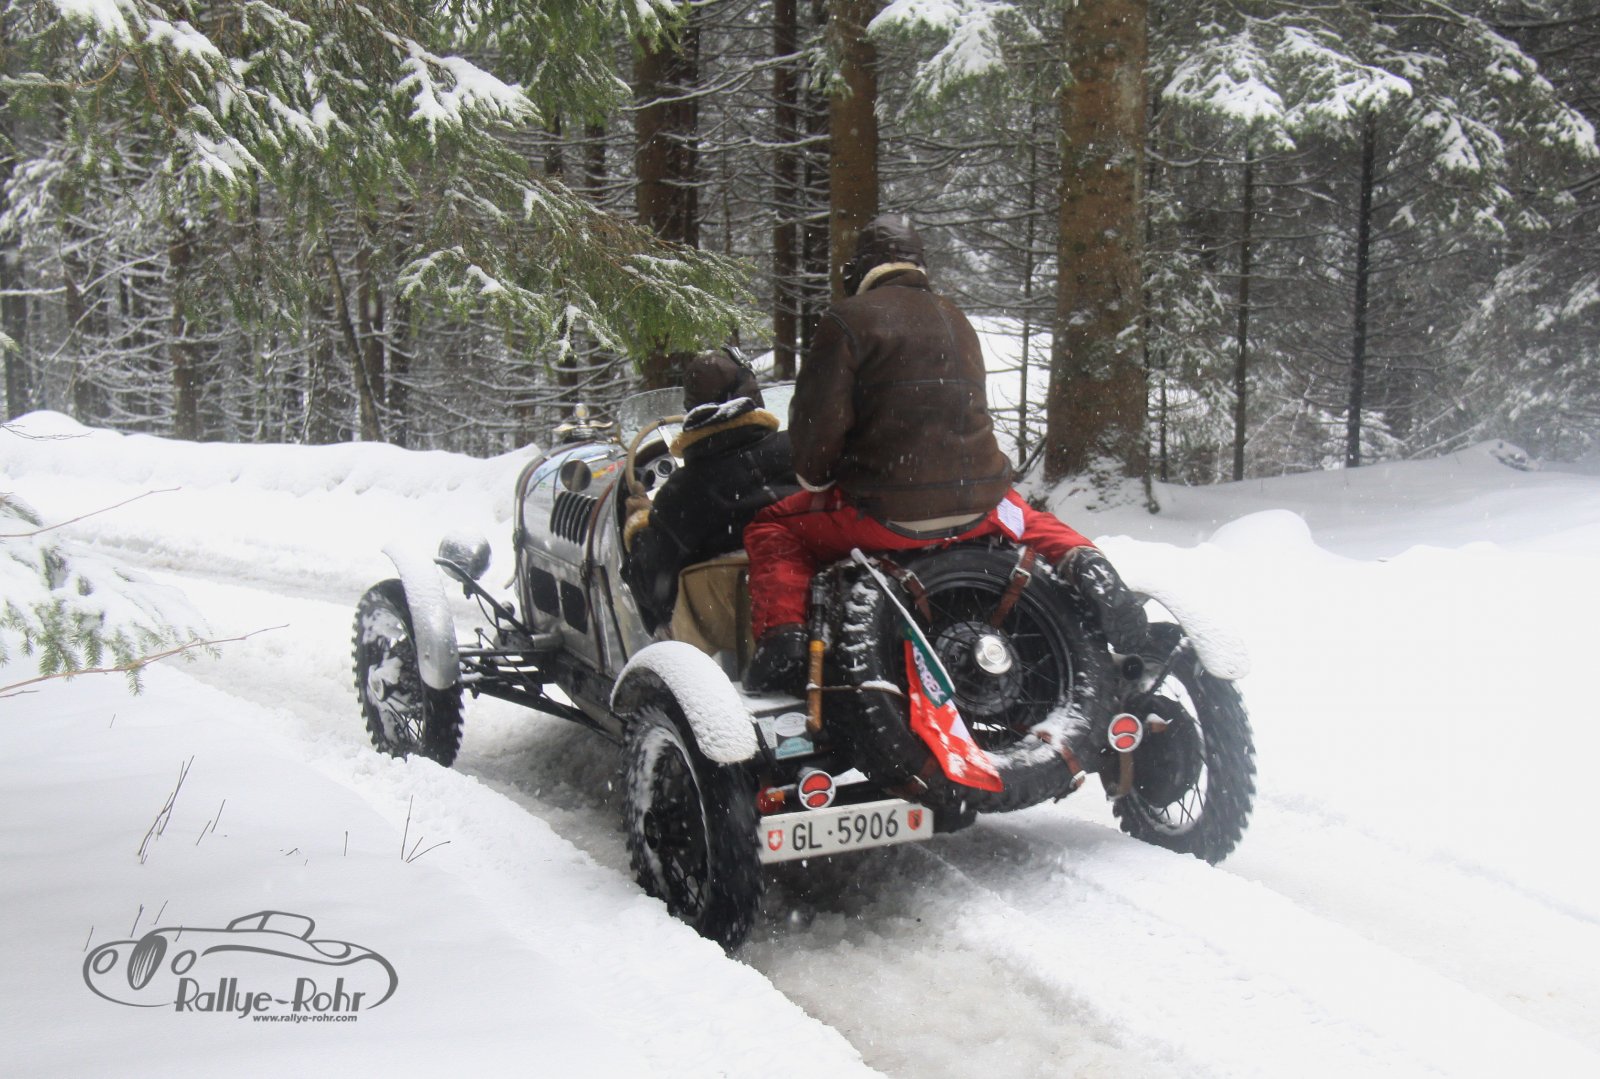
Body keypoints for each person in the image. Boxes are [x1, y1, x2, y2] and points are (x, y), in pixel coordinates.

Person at [742, 213, 1148, 693]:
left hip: (888, 516)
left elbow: (816, 443)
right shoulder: (955, 317)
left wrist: (821, 475)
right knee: (1027, 520)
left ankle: (784, 639)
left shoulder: (846, 320)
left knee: (772, 527)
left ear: (859, 269)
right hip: (979, 506)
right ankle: (1084, 561)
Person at [621, 350, 798, 632]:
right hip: (818, 624)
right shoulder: (801, 452)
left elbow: (650, 588)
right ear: (752, 398)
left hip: (729, 642)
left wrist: (639, 524)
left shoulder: (682, 493)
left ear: (692, 412)